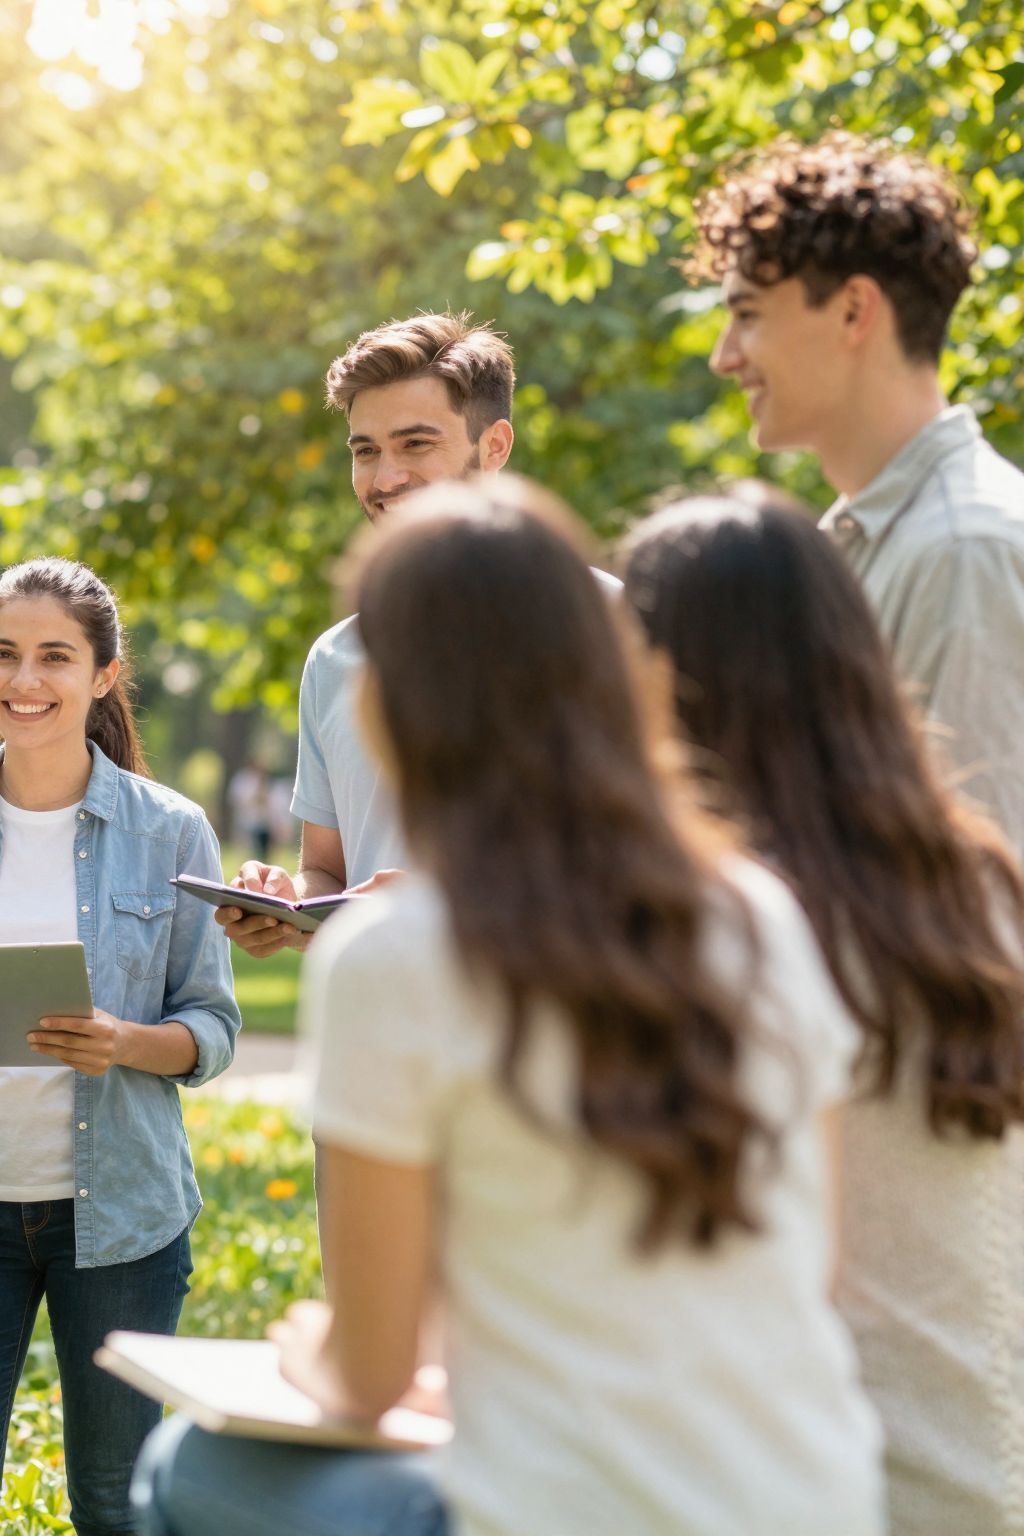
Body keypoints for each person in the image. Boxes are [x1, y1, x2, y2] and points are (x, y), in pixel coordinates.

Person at [133, 478, 883, 1536]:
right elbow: (814, 1269)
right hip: (809, 1497)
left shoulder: (392, 957)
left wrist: (307, 1348)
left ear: (388, 701)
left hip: (555, 1512)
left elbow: (366, 1374)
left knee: (179, 1466)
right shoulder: (759, 913)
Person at [623, 486, 1024, 1535]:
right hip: (985, 1451)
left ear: (674, 678)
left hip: (823, 1478)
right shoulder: (974, 877)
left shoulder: (732, 923)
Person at [0, 557, 241, 1536]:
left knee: (116, 1506)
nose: (26, 682)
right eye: (5, 655)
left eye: (55, 658)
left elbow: (210, 1029)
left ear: (103, 674)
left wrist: (121, 1042)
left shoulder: (170, 832)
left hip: (119, 1221)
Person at [692, 131, 1024, 856]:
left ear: (853, 311)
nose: (724, 356)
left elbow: (981, 902)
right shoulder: (863, 541)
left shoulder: (964, 550)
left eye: (746, 315)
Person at [218, 312, 517, 960]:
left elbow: (660, 862)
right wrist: (289, 902)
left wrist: (452, 901)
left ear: (493, 448)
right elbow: (328, 871)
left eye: (415, 445)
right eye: (365, 451)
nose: (384, 480)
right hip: (375, 1028)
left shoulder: (603, 621)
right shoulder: (332, 660)